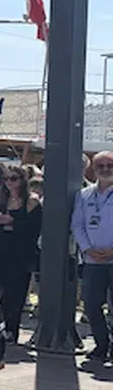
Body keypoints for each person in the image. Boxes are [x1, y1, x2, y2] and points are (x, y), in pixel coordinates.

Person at [0, 166, 42, 345]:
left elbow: (34, 228)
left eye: (14, 179)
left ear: (23, 180)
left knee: (15, 295)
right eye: (6, 179)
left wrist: (12, 222)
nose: (10, 183)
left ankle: (11, 331)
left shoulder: (31, 201)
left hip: (21, 254)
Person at [72, 151, 113, 362]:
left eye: (110, 165)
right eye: (100, 166)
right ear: (93, 170)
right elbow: (77, 225)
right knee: (91, 304)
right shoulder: (84, 195)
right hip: (92, 260)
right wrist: (87, 249)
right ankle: (101, 344)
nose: (105, 169)